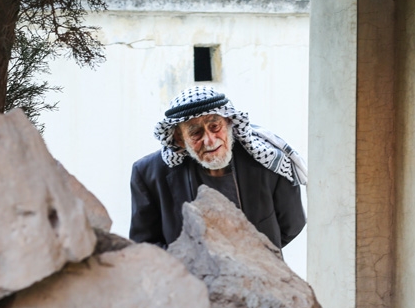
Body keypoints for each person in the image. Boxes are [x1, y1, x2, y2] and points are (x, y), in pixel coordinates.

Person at [130, 86, 307, 249]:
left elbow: (292, 225)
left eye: (215, 126)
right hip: (189, 280)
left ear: (229, 122)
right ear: (179, 138)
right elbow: (145, 246)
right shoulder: (149, 174)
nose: (210, 140)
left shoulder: (266, 160)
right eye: (195, 133)